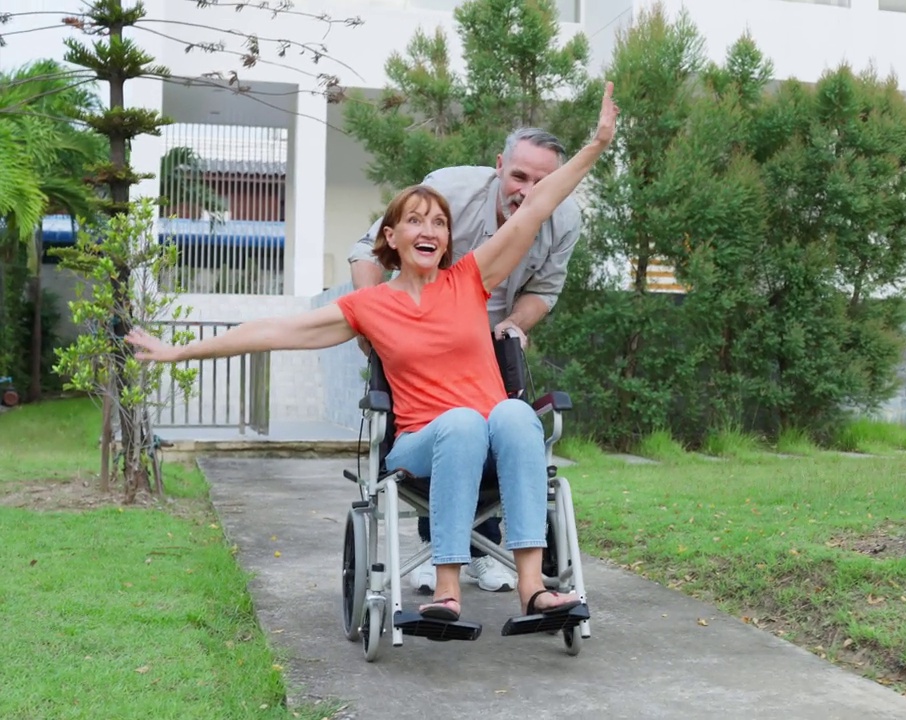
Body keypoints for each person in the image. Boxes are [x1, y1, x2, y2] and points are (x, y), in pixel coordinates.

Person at [126, 82, 619, 623]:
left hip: (487, 435)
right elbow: (272, 331)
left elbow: (537, 207)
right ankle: (448, 591)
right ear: (392, 236)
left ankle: (533, 589)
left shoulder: (471, 280)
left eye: (439, 222)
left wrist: (595, 145)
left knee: (515, 413)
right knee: (461, 423)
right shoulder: (370, 306)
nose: (428, 229)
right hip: (419, 444)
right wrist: (177, 352)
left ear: (450, 239)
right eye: (415, 220)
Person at [346, 126, 583, 596]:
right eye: (518, 175)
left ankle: (490, 555)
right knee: (452, 423)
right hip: (420, 324)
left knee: (502, 420)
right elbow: (367, 251)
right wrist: (375, 316)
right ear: (499, 165)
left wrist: (514, 323)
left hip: (489, 335)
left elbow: (545, 291)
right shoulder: (449, 191)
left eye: (543, 180)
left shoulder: (564, 218)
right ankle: (446, 555)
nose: (528, 191)